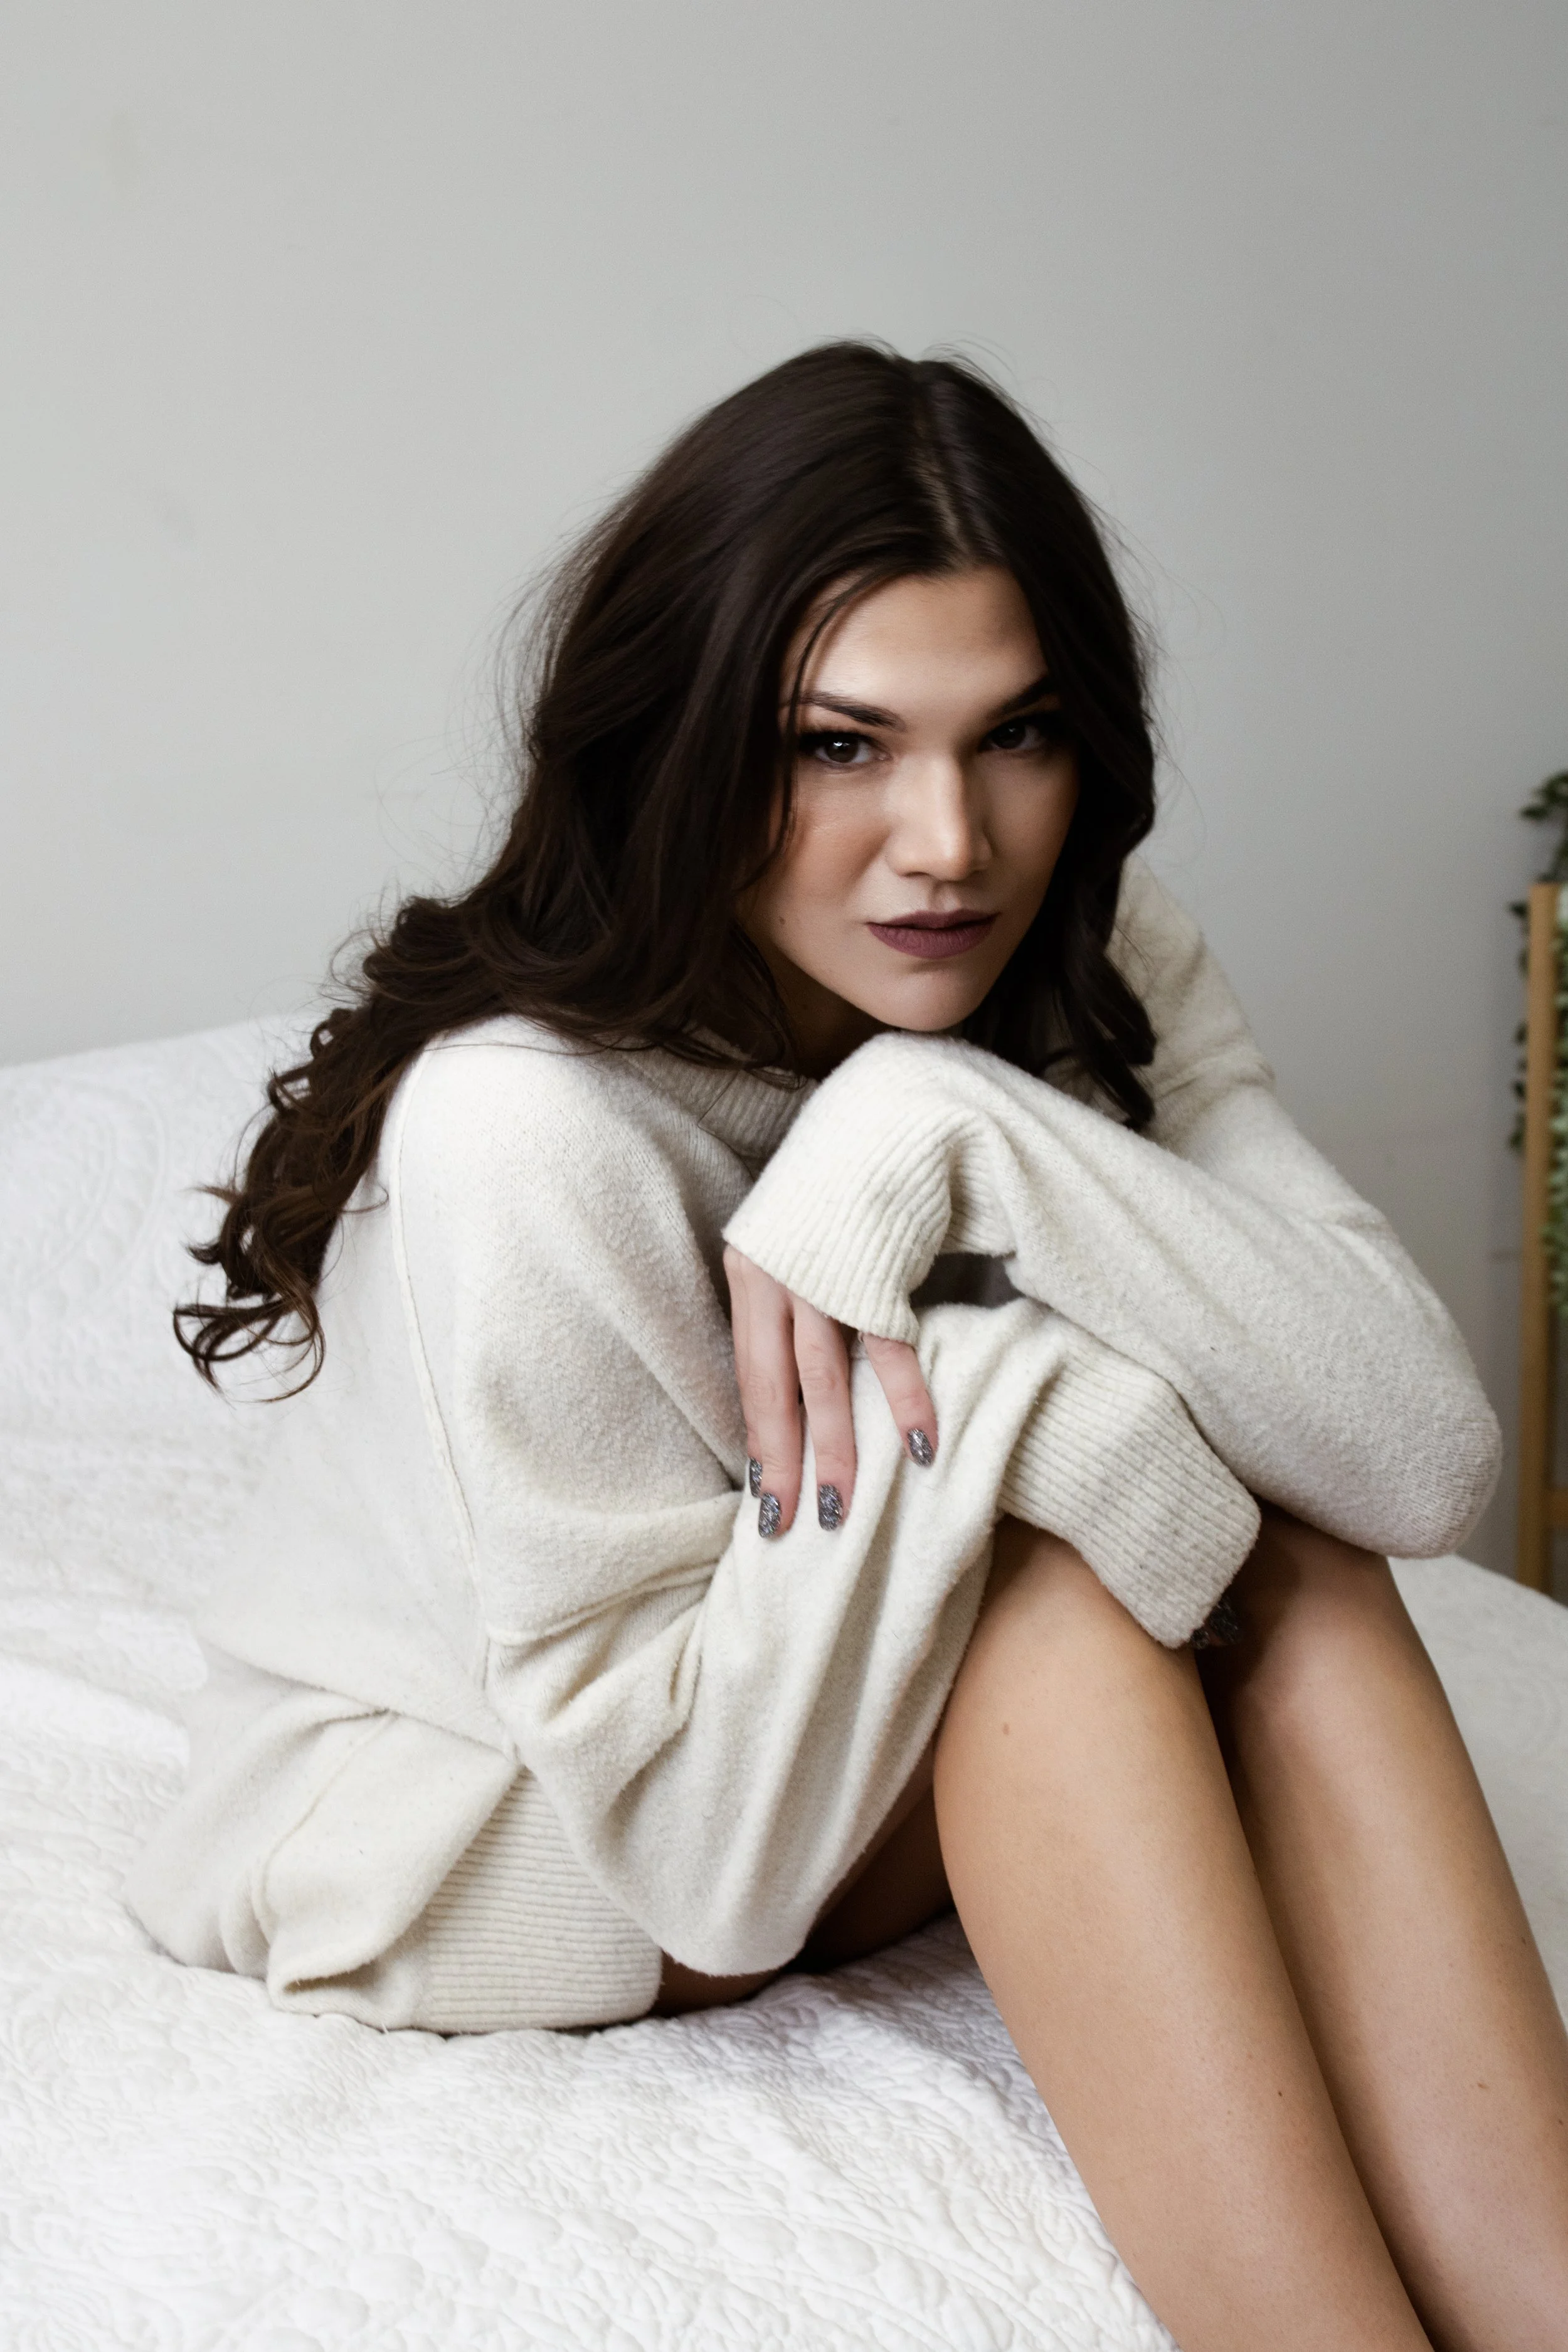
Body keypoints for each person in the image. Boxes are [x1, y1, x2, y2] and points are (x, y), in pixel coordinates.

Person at [128, 342, 1568, 2351]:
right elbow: (709, 1861)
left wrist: (947, 1126)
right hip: (490, 1816)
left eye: (1016, 737)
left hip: (800, 1714)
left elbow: (1410, 1458)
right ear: (694, 740)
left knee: (1301, 1543)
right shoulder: (531, 1129)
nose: (947, 845)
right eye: (837, 746)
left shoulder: (1084, 954)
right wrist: (1038, 1395)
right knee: (1057, 1608)